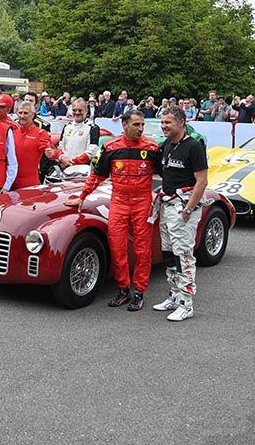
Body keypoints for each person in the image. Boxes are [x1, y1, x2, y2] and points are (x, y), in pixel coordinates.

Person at [65, 111, 160, 311]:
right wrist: (82, 197)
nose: (140, 128)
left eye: (142, 124)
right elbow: (97, 176)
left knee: (143, 250)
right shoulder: (110, 147)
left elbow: (167, 174)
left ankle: (140, 292)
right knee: (117, 247)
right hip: (118, 202)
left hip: (143, 202)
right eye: (136, 124)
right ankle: (123, 289)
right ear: (124, 125)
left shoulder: (152, 147)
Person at [153, 107, 208, 322]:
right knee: (168, 253)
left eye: (168, 122)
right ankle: (175, 295)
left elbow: (202, 182)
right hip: (166, 206)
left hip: (183, 209)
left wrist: (188, 209)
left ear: (182, 122)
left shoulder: (194, 147)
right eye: (163, 122)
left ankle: (187, 303)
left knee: (183, 255)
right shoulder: (166, 145)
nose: (164, 126)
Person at [13, 102, 54, 188]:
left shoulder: (40, 133)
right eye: (20, 113)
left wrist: (51, 153)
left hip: (29, 182)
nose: (22, 116)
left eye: (26, 113)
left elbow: (51, 151)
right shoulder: (13, 132)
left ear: (33, 115)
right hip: (12, 182)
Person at [55, 98, 100, 167]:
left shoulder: (93, 128)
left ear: (86, 111)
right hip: (64, 167)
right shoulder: (67, 127)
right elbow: (60, 146)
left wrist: (73, 162)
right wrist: (62, 158)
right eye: (74, 110)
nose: (77, 113)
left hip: (82, 170)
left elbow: (91, 151)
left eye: (80, 110)